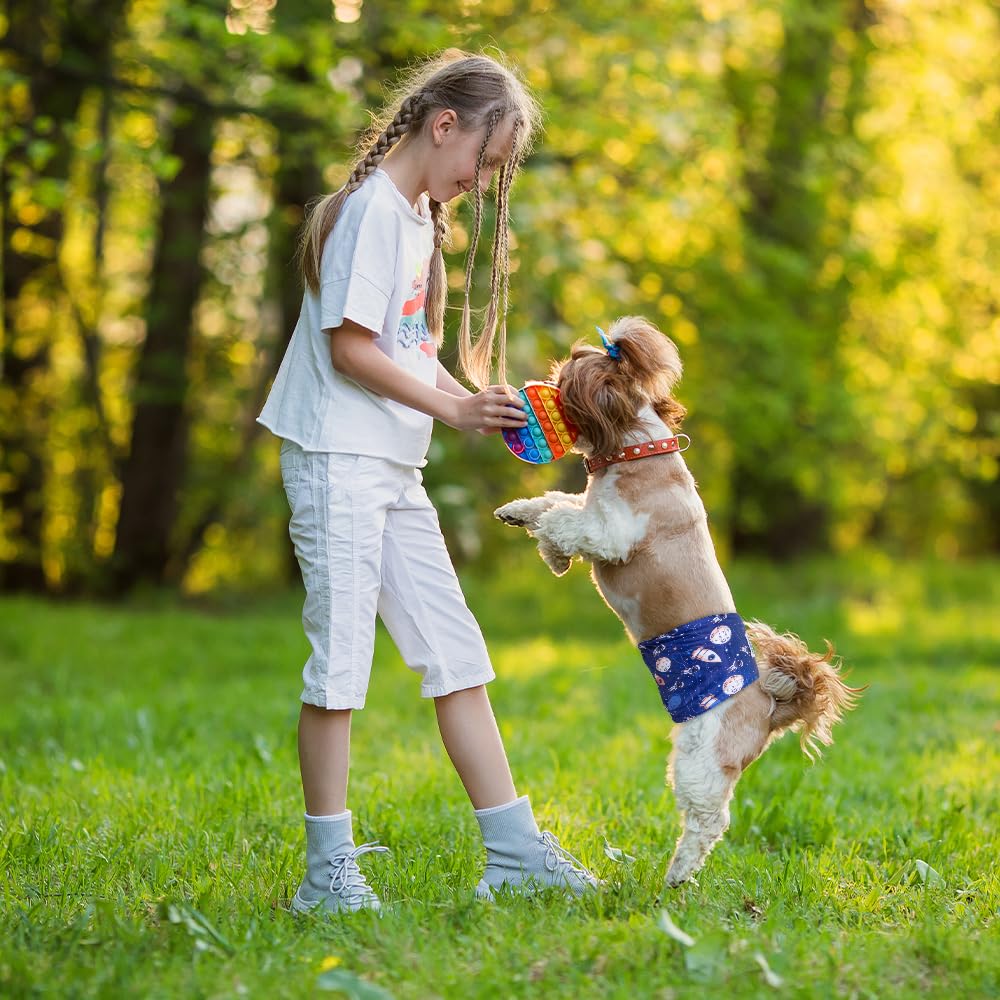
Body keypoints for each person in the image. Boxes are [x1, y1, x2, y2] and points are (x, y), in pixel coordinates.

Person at [257, 50, 599, 914]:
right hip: (337, 459)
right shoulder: (371, 213)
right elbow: (350, 349)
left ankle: (514, 849)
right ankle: (326, 876)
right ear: (443, 125)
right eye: (483, 161)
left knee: (457, 653)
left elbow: (409, 349)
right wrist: (449, 414)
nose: (481, 182)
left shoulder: (415, 218)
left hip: (391, 466)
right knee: (339, 669)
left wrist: (475, 402)